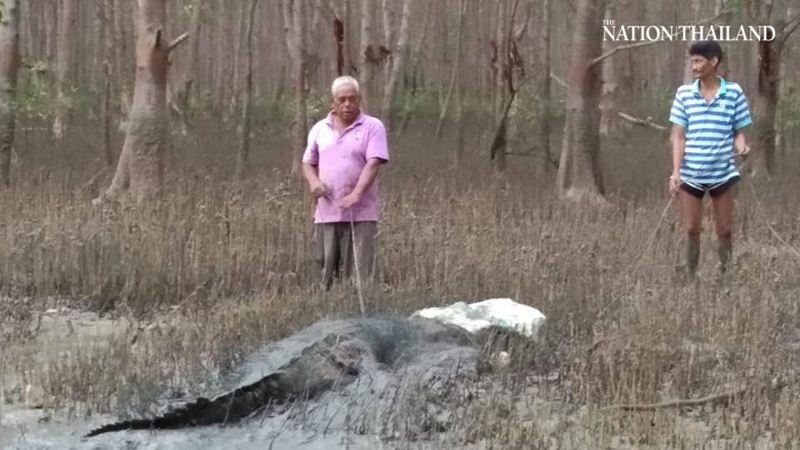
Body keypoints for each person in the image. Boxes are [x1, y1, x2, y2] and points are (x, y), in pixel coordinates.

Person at [668, 40, 752, 277]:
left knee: (724, 229)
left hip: (723, 173)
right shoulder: (684, 94)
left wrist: (742, 146)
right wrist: (676, 172)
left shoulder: (733, 92)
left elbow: (738, 131)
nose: (693, 66)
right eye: (692, 60)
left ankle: (726, 274)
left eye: (698, 60)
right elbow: (679, 136)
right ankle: (691, 275)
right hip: (691, 173)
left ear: (713, 62)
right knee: (692, 228)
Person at [302, 76, 389, 289]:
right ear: (333, 102)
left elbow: (374, 162)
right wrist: (314, 182)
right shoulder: (319, 129)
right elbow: (307, 163)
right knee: (325, 273)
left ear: (359, 100)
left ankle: (359, 317)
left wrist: (356, 195)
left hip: (361, 215)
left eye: (352, 99)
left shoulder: (373, 126)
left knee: (359, 276)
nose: (347, 104)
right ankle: (327, 315)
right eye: (342, 99)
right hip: (326, 214)